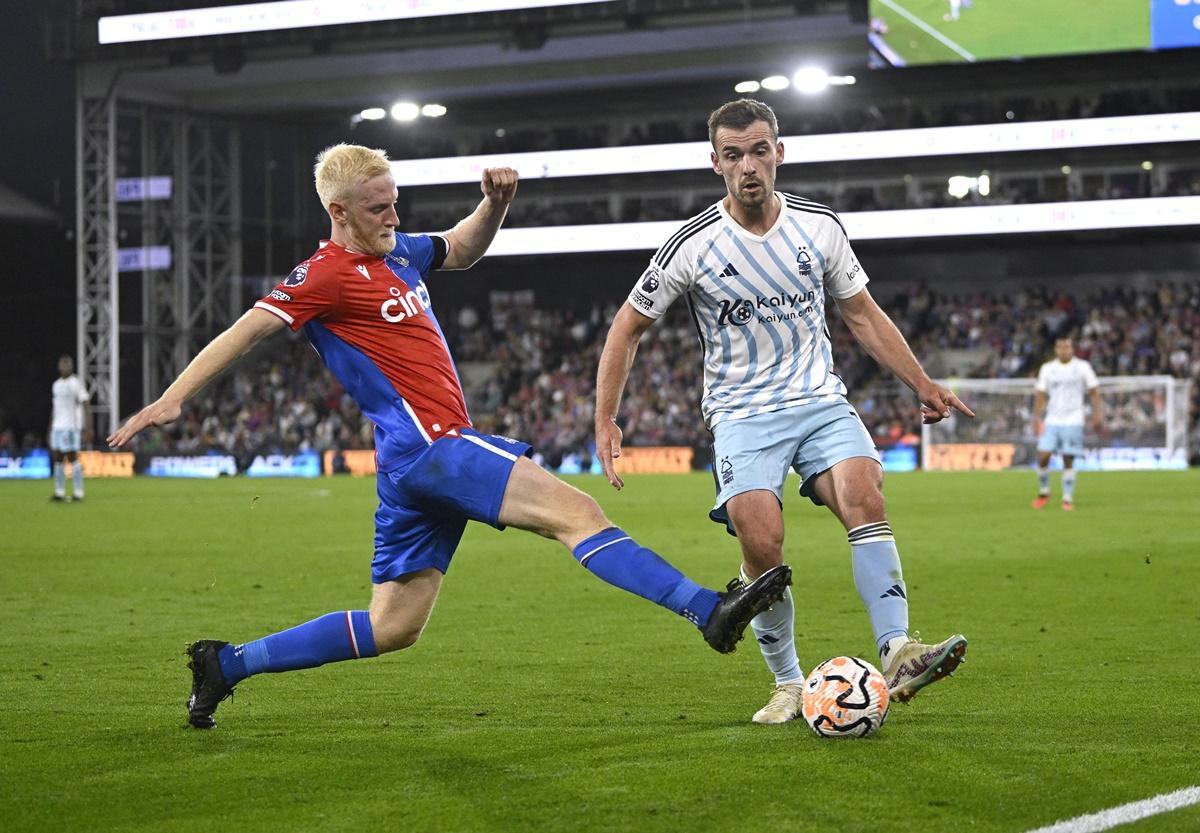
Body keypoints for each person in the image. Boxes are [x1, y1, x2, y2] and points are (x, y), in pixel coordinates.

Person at [107, 143, 790, 729]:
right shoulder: (321, 276)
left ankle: (226, 663)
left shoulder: (396, 250)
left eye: (395, 201)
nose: (394, 217)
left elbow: (460, 248)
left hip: (410, 467)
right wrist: (173, 398)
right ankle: (708, 609)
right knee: (577, 515)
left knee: (392, 626)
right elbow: (247, 329)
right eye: (379, 208)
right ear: (338, 212)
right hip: (433, 444)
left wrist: (494, 203)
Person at [594, 99, 971, 725]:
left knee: (864, 494)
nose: (749, 165)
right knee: (762, 539)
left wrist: (921, 382)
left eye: (760, 150)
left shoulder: (820, 226)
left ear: (780, 153)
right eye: (735, 154)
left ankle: (899, 648)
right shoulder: (692, 246)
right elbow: (625, 329)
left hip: (819, 399)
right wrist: (605, 417)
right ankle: (790, 684)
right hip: (741, 413)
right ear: (715, 163)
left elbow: (862, 314)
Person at [1031, 336, 1103, 511]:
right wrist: (1036, 417)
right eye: (1061, 347)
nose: (1064, 350)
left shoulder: (1082, 367)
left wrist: (1097, 414)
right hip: (1052, 419)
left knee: (1068, 457)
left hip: (1074, 419)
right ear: (1056, 349)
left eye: (1067, 347)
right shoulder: (1048, 369)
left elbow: (1094, 391)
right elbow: (1040, 394)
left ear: (1072, 348)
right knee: (1043, 456)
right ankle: (1044, 491)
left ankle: (1067, 498)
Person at [49, 355, 90, 502]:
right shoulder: (56, 385)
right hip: (57, 427)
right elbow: (55, 409)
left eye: (67, 364)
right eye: (62, 364)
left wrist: (88, 428)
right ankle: (59, 492)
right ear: (59, 367)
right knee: (58, 458)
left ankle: (78, 492)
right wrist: (50, 429)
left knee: (72, 457)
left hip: (70, 427)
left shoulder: (76, 383)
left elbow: (85, 403)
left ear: (71, 367)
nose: (65, 367)